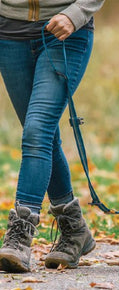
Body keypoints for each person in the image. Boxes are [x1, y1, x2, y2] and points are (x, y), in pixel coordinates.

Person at [0, 0, 105, 272]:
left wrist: (76, 13)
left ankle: (20, 236)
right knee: (42, 133)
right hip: (9, 34)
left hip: (65, 33)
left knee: (37, 129)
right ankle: (74, 230)